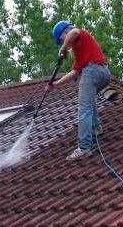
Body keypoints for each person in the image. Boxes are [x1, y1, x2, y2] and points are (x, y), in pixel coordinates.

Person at [48, 20, 111, 161]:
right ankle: (96, 128)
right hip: (104, 73)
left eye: (62, 39)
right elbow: (74, 72)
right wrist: (56, 84)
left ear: (64, 32)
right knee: (89, 100)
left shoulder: (79, 33)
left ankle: (84, 148)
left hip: (92, 71)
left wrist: (63, 48)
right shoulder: (79, 50)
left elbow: (74, 32)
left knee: (84, 108)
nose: (65, 42)